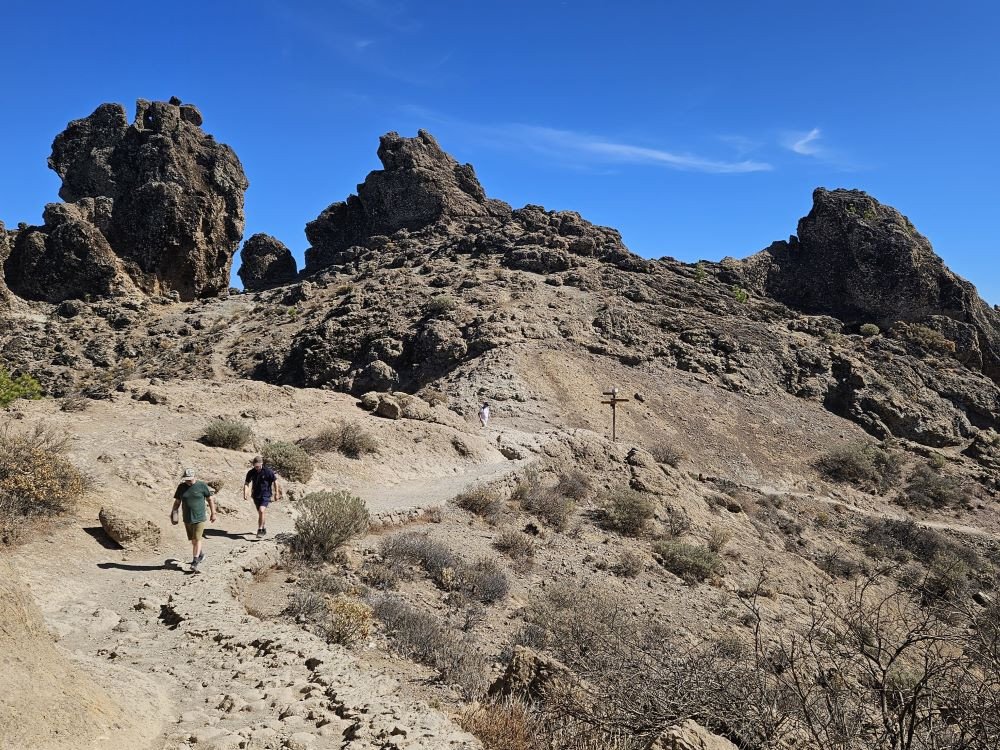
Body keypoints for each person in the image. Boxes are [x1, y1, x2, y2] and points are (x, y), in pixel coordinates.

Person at [170, 467, 217, 572]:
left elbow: (210, 499)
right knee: (193, 540)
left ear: (194, 477)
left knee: (197, 539)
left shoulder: (201, 485)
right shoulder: (181, 487)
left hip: (199, 517)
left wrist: (213, 513)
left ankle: (195, 561)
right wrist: (174, 512)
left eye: (190, 479)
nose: (188, 481)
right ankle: (200, 554)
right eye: (186, 479)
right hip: (187, 518)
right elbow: (177, 502)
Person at [244, 456, 280, 537]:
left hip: (266, 494)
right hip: (256, 495)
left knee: (261, 510)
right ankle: (263, 528)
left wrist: (277, 493)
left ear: (262, 463)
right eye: (255, 466)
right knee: (260, 513)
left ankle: (260, 530)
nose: (257, 468)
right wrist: (245, 493)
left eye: (258, 466)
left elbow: (275, 481)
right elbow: (246, 483)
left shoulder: (268, 471)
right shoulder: (251, 472)